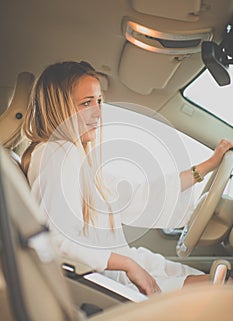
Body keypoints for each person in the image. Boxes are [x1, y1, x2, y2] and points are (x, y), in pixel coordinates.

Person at [21, 61, 233, 296]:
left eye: (99, 101)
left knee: (220, 282)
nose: (98, 113)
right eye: (86, 103)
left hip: (123, 265)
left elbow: (136, 196)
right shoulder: (58, 154)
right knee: (223, 290)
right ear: (58, 108)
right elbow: (56, 241)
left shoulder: (76, 157)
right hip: (110, 282)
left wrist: (205, 167)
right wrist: (127, 265)